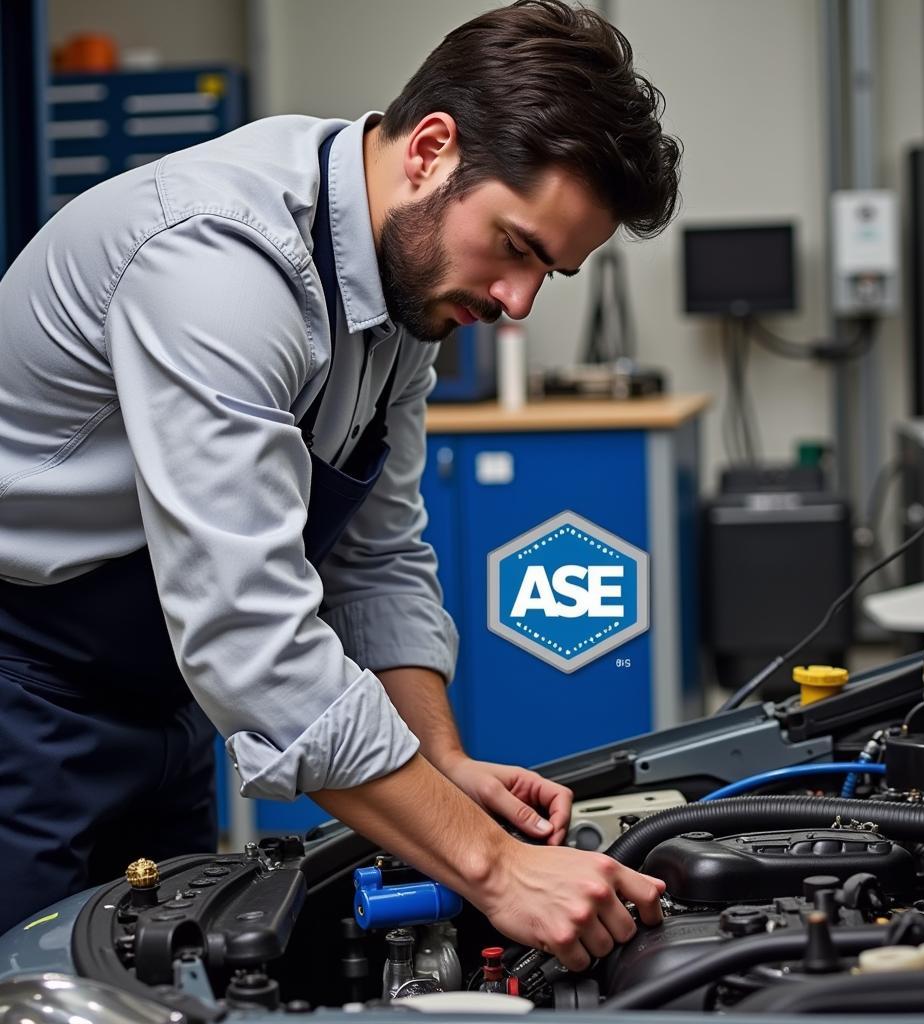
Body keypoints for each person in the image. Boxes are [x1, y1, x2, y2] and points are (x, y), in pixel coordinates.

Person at [0, 0, 681, 968]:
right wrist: (491, 866)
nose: (517, 302)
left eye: (550, 275)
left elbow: (376, 560)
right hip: (26, 691)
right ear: (431, 150)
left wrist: (440, 766)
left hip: (169, 695)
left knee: (169, 975)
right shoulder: (217, 262)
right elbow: (253, 635)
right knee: (30, 983)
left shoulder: (400, 293)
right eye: (519, 247)